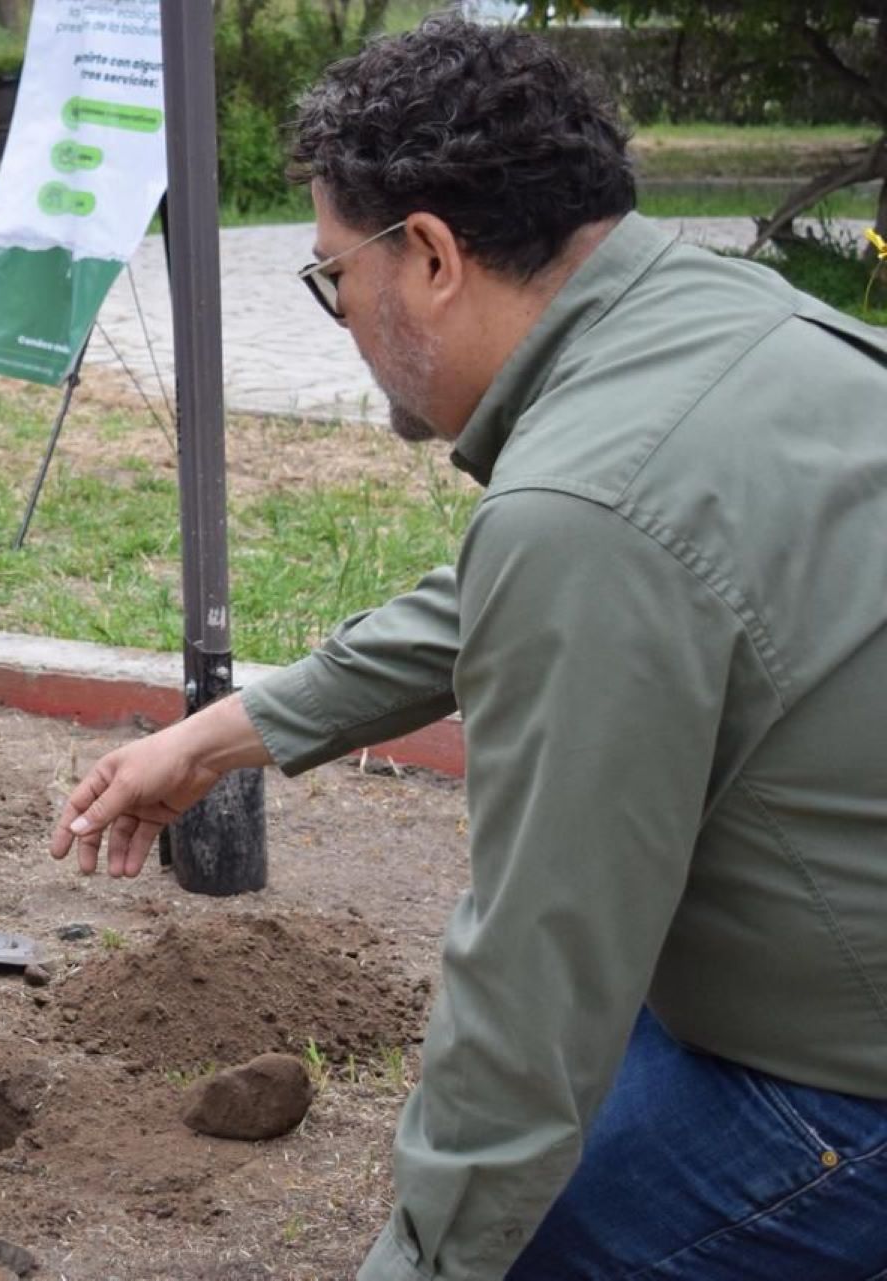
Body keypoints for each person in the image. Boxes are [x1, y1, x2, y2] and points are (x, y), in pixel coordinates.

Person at [51, 19, 887, 1280]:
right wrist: (228, 735)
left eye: (335, 275)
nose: (340, 312)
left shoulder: (588, 509)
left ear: (430, 255)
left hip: (849, 1094)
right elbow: (518, 587)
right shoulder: (710, 314)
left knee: (533, 1231)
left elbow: (536, 988)